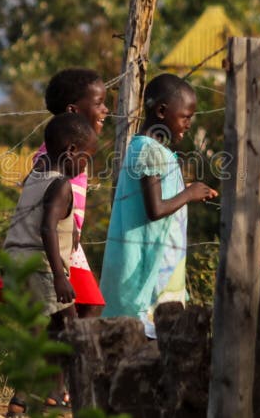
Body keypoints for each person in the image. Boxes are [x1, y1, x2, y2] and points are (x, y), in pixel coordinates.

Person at [100, 73, 217, 338]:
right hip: (146, 274)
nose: (188, 124)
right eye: (185, 117)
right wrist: (190, 194)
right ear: (162, 111)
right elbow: (156, 209)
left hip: (159, 267)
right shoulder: (149, 150)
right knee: (149, 347)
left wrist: (186, 190)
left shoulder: (152, 150)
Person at [0, 68, 109, 318]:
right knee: (86, 307)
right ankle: (77, 354)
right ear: (73, 110)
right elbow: (38, 184)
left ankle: (68, 352)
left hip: (65, 239)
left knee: (76, 309)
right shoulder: (55, 153)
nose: (106, 110)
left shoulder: (72, 148)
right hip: (57, 242)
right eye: (99, 103)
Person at [2, 112, 98, 417]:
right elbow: (46, 228)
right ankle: (24, 398)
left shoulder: (34, 179)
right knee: (63, 328)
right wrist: (59, 274)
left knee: (58, 326)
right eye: (85, 159)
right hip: (43, 267)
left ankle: (50, 394)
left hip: (17, 260)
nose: (85, 166)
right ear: (71, 151)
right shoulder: (60, 187)